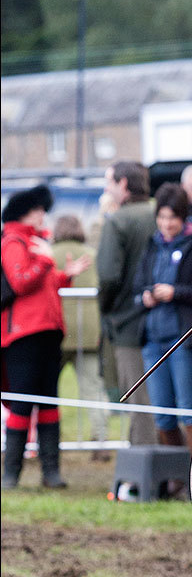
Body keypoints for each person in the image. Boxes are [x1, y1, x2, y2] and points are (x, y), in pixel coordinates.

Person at [1, 184, 91, 489]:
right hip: (23, 336)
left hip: (47, 332)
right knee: (23, 401)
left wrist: (65, 274)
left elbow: (44, 285)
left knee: (49, 401)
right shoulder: (14, 242)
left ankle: (51, 472)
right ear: (28, 212)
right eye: (40, 210)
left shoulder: (35, 243)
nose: (44, 216)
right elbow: (21, 282)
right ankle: (10, 475)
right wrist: (45, 261)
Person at [132, 182, 192, 457]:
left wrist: (174, 293)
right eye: (162, 217)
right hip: (153, 339)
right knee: (162, 412)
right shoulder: (151, 245)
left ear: (183, 217)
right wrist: (145, 296)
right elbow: (138, 285)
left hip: (185, 342)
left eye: (173, 218)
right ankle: (177, 476)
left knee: (188, 408)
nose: (167, 224)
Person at [96, 162, 157, 446]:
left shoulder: (117, 221)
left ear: (123, 184)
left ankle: (146, 471)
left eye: (110, 182)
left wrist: (106, 309)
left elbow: (108, 276)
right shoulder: (162, 213)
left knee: (139, 402)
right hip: (165, 318)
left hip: (127, 321)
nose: (108, 189)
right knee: (167, 397)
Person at [51, 214, 110, 458]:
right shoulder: (92, 255)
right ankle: (101, 439)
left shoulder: (48, 254)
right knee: (92, 387)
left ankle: (47, 440)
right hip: (88, 331)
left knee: (46, 388)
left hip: (57, 330)